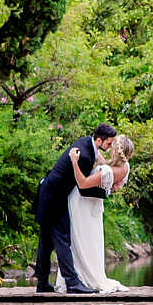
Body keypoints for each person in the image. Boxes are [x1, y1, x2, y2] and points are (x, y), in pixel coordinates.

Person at [33, 124, 116, 293]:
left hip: (49, 193)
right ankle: (72, 284)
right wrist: (105, 192)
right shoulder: (84, 155)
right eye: (109, 143)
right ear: (99, 140)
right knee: (63, 240)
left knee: (46, 242)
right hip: (53, 198)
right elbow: (83, 186)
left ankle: (42, 283)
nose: (110, 146)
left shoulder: (87, 143)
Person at [66, 134, 134, 293]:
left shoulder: (106, 172)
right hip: (94, 207)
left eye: (112, 145)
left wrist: (74, 162)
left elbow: (82, 184)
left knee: (80, 239)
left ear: (115, 151)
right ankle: (87, 274)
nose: (109, 147)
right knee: (91, 240)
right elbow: (114, 186)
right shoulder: (124, 167)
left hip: (82, 205)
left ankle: (82, 277)